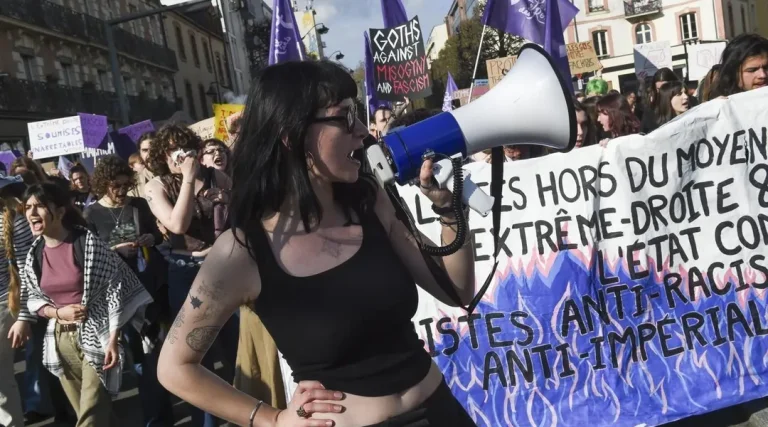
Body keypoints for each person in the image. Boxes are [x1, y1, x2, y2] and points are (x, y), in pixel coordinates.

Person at [157, 60, 477, 426]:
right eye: (342, 117)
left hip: (439, 412)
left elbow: (457, 290)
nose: (359, 131)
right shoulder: (242, 252)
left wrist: (449, 211)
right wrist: (270, 419)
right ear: (290, 134)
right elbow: (174, 367)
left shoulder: (371, 202)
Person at [20, 182, 153, 427]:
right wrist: (57, 312)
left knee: (90, 416)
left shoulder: (87, 243)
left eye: (39, 206)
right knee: (96, 414)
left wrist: (113, 337)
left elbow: (116, 288)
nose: (32, 213)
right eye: (28, 207)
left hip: (98, 335)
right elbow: (33, 298)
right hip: (60, 340)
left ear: (59, 212)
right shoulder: (35, 253)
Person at [144, 124, 238, 427]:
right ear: (163, 155)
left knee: (236, 348)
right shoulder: (157, 185)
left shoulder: (215, 177)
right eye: (172, 149)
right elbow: (178, 225)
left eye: (184, 147)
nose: (179, 154)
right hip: (186, 275)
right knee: (198, 358)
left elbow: (240, 210)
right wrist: (187, 179)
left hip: (224, 268)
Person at [84, 155, 173, 427]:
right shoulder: (91, 214)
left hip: (149, 287)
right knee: (138, 358)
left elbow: (157, 236)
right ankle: (154, 415)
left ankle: (159, 416)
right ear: (103, 184)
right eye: (115, 185)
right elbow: (90, 257)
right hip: (118, 296)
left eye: (125, 184)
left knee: (153, 354)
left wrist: (151, 238)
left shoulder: (139, 205)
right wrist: (115, 251)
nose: (121, 190)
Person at [0, 173, 34, 427]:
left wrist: (23, 315)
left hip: (4, 303)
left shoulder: (13, 217)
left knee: (1, 379)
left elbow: (27, 268)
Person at [710, 33, 768, 98]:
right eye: (752, 70)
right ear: (733, 74)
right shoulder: (723, 105)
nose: (763, 75)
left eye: (766, 68)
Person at [129, 132, 157, 199]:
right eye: (145, 150)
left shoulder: (175, 173)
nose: (150, 155)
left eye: (153, 149)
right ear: (140, 153)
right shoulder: (134, 183)